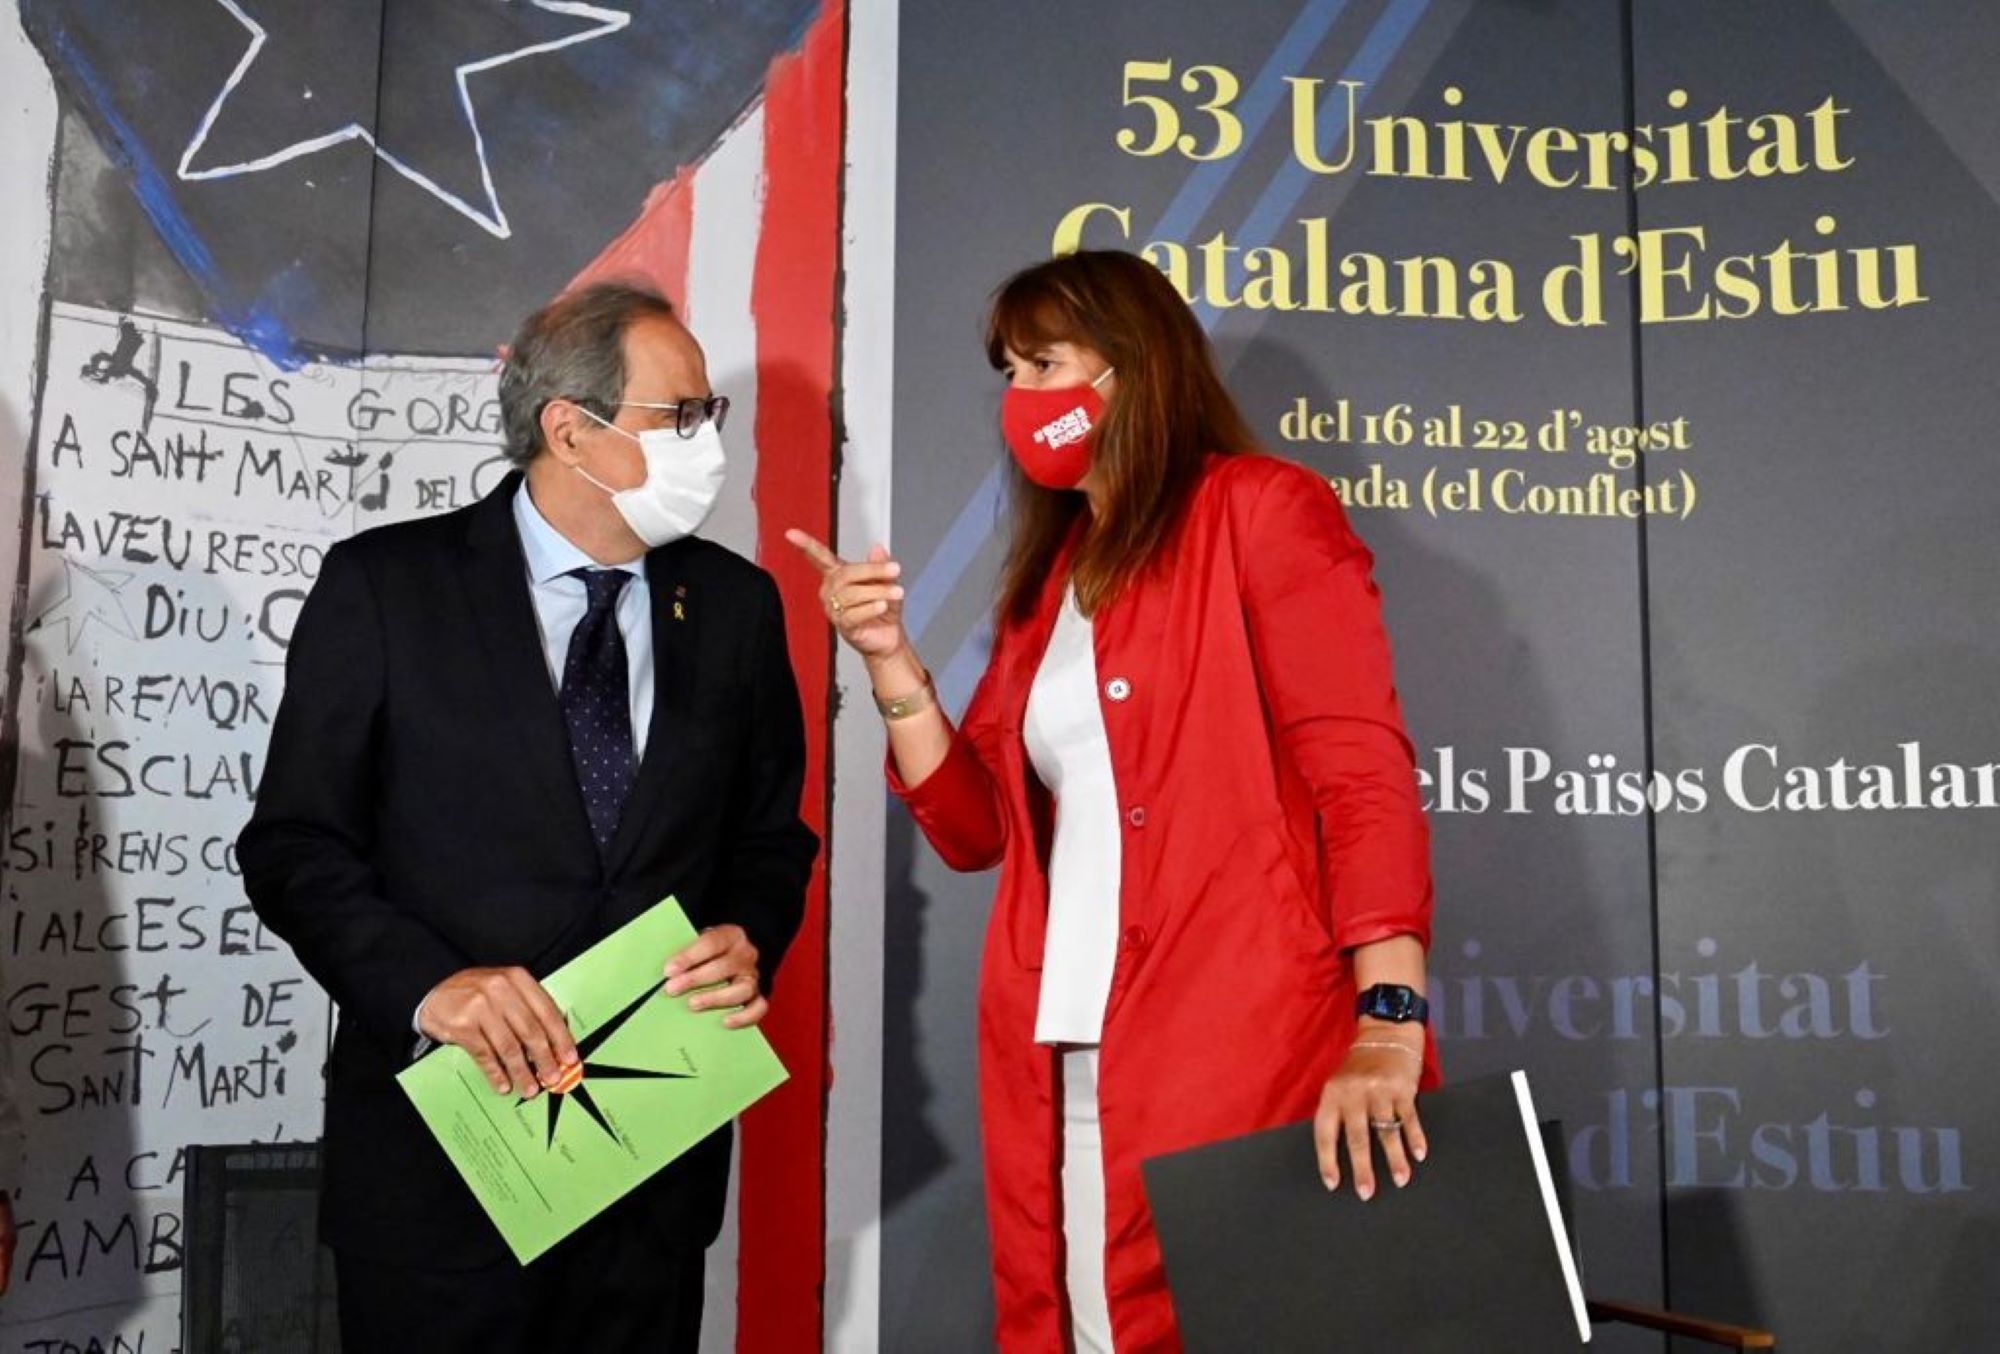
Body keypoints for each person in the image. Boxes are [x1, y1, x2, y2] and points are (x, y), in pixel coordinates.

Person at [790, 249, 1440, 1352]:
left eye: (1044, 360)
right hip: (1061, 1054)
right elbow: (973, 828)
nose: (1019, 393)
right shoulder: (1051, 580)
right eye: (1006, 367)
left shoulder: (1260, 508)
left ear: (1133, 369)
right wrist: (889, 660)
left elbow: (1359, 768)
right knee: (1082, 1328)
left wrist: (1387, 1021)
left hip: (1240, 1043)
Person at [240, 280, 817, 1353]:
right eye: (680, 415)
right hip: (440, 1179)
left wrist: (749, 933)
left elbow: (768, 837)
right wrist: (426, 987)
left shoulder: (733, 607)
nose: (707, 442)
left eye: (711, 416)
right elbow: (293, 844)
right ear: (571, 428)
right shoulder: (385, 585)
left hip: (651, 1173)